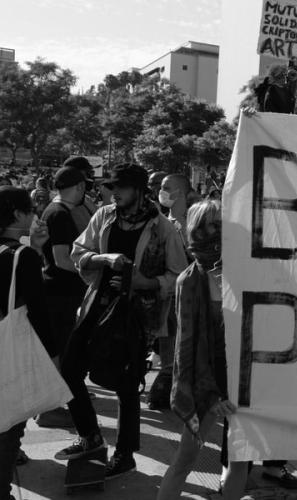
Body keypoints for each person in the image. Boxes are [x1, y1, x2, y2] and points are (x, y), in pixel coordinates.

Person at [54, 163, 188, 479]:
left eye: (121, 188)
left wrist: (145, 282)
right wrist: (103, 258)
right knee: (70, 368)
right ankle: (90, 434)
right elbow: (78, 252)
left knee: (127, 386)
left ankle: (125, 454)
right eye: (112, 187)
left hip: (137, 316)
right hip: (96, 306)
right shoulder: (104, 215)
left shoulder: (162, 228)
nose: (114, 193)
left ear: (140, 191)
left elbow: (178, 274)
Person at [156, 200, 249, 499]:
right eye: (205, 225)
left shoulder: (246, 273)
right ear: (194, 231)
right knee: (185, 459)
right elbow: (187, 348)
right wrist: (212, 397)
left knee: (240, 460)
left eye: (219, 224)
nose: (212, 232)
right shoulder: (188, 281)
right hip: (206, 385)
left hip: (244, 380)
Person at [0, 187, 55, 499]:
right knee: (9, 427)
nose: (35, 214)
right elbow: (39, 312)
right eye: (31, 209)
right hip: (10, 353)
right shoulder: (23, 257)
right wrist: (54, 356)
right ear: (18, 214)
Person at [34, 167, 89, 429]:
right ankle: (48, 410)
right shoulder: (59, 214)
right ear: (78, 187)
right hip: (60, 294)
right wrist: (91, 272)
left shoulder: (54, 211)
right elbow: (62, 259)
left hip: (57, 292)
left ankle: (50, 406)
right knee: (59, 353)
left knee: (58, 351)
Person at [147, 173, 195, 410]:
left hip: (187, 298)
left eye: (166, 187)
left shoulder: (192, 224)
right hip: (167, 297)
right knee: (167, 340)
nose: (159, 190)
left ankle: (176, 384)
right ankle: (169, 379)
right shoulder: (164, 221)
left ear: (181, 193)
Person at [59, 156, 98, 233]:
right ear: (74, 175)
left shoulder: (84, 199)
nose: (90, 177)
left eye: (91, 173)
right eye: (87, 173)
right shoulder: (69, 205)